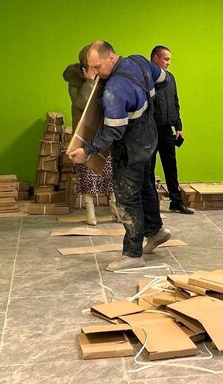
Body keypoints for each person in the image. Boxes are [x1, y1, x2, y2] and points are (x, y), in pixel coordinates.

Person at [68, 41, 171, 271]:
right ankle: (156, 231)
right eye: (92, 69)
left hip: (131, 148)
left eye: (98, 67)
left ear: (111, 57)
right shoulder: (139, 61)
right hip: (149, 139)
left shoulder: (114, 90)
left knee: (127, 198)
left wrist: (87, 151)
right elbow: (165, 79)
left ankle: (133, 253)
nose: (96, 74)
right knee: (145, 186)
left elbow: (112, 131)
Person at [63, 45, 115, 226]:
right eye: (92, 66)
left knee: (111, 171)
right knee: (87, 173)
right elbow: (81, 104)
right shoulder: (75, 81)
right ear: (84, 67)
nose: (96, 69)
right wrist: (89, 82)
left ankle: (116, 208)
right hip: (84, 133)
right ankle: (90, 211)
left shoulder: (107, 76)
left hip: (104, 131)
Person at [150, 45, 193, 215]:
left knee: (171, 168)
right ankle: (151, 205)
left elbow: (175, 102)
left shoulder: (170, 78)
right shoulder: (147, 78)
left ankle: (176, 202)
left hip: (167, 130)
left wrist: (178, 126)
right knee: (149, 168)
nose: (168, 63)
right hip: (151, 131)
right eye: (166, 59)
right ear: (155, 58)